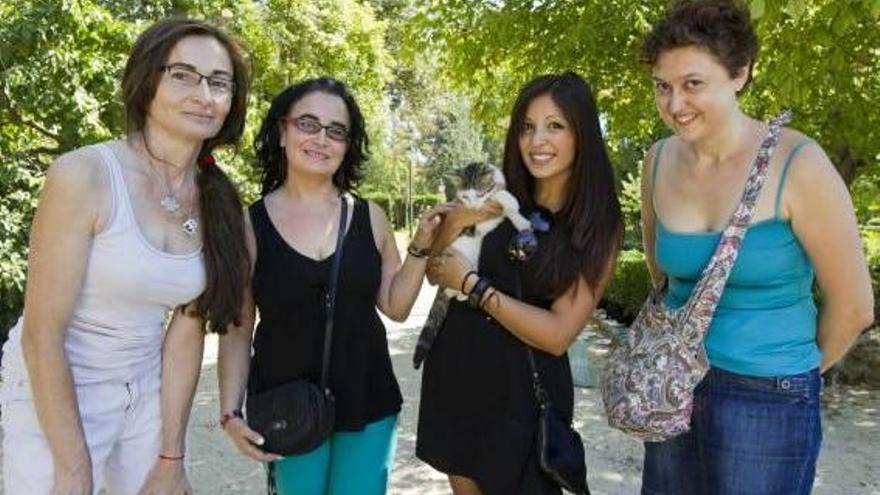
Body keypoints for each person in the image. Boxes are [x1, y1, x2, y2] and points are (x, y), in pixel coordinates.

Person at [0, 18, 251, 495]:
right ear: (147, 80)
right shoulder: (84, 175)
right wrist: (74, 470)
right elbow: (41, 334)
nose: (204, 93)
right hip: (54, 388)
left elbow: (186, 329)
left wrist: (171, 454)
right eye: (183, 74)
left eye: (219, 82)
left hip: (146, 387)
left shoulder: (217, 200)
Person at [638, 1, 875, 493]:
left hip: (770, 395)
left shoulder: (799, 163)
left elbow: (853, 307)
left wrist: (789, 378)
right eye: (663, 86)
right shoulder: (658, 161)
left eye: (693, 84)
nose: (675, 104)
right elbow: (662, 277)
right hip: (673, 383)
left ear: (740, 73)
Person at [217, 77, 454, 495]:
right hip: (287, 405)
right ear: (282, 131)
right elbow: (238, 326)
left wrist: (419, 246)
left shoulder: (371, 217)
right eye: (308, 124)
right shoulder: (248, 226)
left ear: (347, 145)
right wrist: (230, 413)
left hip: (368, 398)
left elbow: (396, 307)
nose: (321, 139)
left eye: (336, 131)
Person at [416, 72, 623, 495]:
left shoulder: (596, 223)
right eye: (527, 127)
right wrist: (457, 220)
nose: (536, 140)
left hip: (525, 400)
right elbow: (438, 268)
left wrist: (474, 286)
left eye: (555, 126)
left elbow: (558, 334)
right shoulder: (504, 196)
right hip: (459, 377)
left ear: (581, 133)